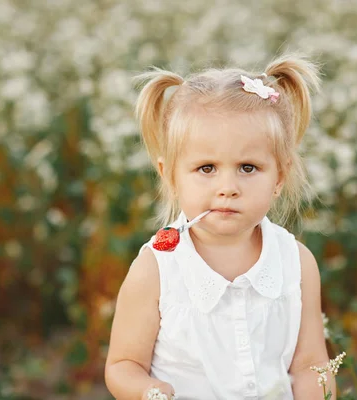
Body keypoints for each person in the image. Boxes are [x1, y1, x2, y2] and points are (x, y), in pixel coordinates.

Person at [105, 53, 335, 399]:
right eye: (207, 168)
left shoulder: (296, 262)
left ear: (279, 176)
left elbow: (310, 366)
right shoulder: (157, 267)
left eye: (247, 168)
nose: (227, 187)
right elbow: (123, 365)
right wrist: (152, 392)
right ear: (170, 175)